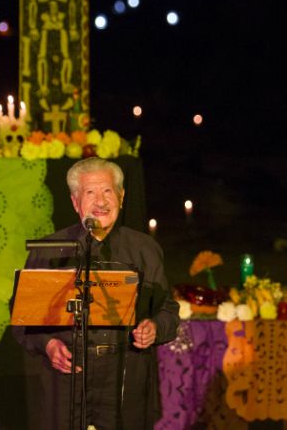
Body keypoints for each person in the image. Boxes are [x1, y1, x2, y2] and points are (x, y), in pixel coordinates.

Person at [12, 157, 180, 430]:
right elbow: (22, 319)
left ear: (122, 196)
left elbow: (168, 311)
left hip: (124, 377)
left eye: (108, 191)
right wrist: (48, 345)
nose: (101, 202)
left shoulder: (144, 249)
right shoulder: (49, 250)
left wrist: (154, 327)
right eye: (90, 193)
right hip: (66, 376)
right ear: (75, 201)